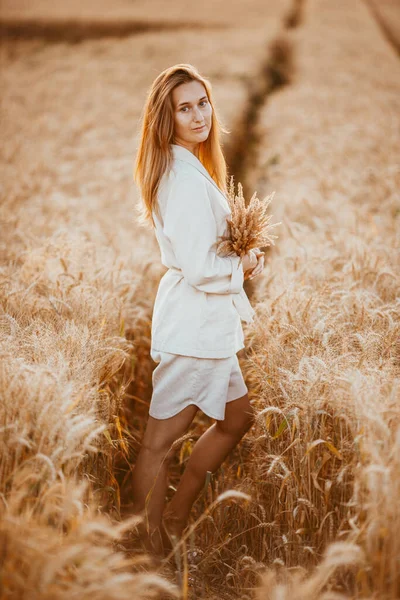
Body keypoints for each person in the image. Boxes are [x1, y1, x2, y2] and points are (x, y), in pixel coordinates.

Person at [132, 63, 265, 557]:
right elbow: (198, 267)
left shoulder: (187, 165)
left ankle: (176, 512)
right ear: (166, 118)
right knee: (158, 442)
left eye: (202, 102)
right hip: (194, 326)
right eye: (183, 108)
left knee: (238, 419)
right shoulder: (183, 178)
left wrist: (238, 259)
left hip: (208, 326)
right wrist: (244, 266)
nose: (198, 115)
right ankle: (149, 552)